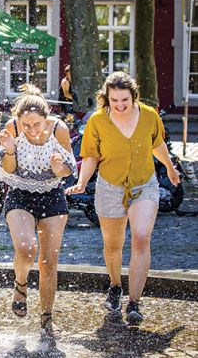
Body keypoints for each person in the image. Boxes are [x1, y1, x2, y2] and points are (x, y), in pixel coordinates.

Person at [66, 71, 180, 326]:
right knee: (113, 245)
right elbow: (91, 156)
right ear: (106, 98)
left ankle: (134, 302)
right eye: (114, 100)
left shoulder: (149, 116)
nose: (119, 106)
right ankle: (116, 284)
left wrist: (171, 169)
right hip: (110, 187)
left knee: (141, 237)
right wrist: (82, 182)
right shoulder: (97, 121)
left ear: (134, 96)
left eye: (124, 101)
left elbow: (157, 144)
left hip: (143, 185)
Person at [0, 84, 76, 337]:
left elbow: (69, 172)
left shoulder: (58, 129)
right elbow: (7, 169)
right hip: (20, 192)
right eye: (26, 125)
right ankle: (20, 284)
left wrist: (58, 166)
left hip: (52, 195)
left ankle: (46, 320)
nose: (32, 130)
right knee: (27, 249)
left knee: (49, 261)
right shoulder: (11, 129)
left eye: (36, 124)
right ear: (18, 120)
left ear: (46, 117)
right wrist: (9, 150)